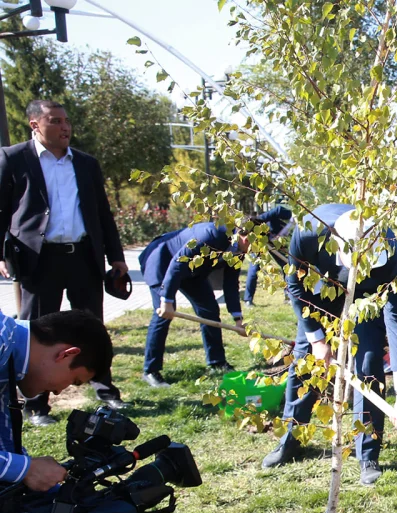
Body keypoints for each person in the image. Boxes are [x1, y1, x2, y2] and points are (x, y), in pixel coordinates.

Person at [261, 205, 397, 486]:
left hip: (364, 302)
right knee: (305, 364)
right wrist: (317, 339)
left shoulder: (391, 252)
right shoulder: (309, 232)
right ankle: (290, 441)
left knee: (368, 364)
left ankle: (367, 453)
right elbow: (295, 285)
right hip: (318, 297)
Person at [0, 99, 127, 424]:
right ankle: (35, 405)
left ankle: (104, 388)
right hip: (39, 260)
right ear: (35, 125)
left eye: (66, 120)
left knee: (92, 325)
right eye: (55, 121)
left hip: (83, 256)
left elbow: (103, 213)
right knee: (36, 331)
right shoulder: (13, 158)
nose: (65, 126)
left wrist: (116, 258)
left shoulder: (85, 164)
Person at [0, 310, 114, 491]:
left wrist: (36, 475)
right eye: (73, 380)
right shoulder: (1, 341)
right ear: (66, 354)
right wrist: (25, 469)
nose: (59, 391)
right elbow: (18, 467)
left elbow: (4, 445)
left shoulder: (10, 361)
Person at [139, 221, 247, 387]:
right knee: (163, 314)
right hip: (162, 261)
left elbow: (231, 283)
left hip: (192, 271)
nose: (257, 251)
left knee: (210, 310)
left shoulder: (238, 248)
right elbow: (177, 263)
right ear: (245, 237)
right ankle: (150, 370)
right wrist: (167, 299)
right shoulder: (213, 234)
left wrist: (237, 318)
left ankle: (216, 362)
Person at [242, 205, 293, 306]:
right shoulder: (288, 215)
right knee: (254, 268)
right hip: (260, 239)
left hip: (275, 242)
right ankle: (248, 300)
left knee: (286, 266)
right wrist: (258, 223)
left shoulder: (300, 226)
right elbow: (278, 210)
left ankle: (289, 296)